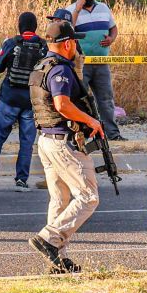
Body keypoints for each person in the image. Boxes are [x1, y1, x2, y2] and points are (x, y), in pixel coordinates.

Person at [28, 19, 106, 272]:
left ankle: (57, 260)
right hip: (63, 142)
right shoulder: (59, 69)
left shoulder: (41, 66)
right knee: (88, 196)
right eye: (74, 42)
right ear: (67, 43)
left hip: (47, 141)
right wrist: (91, 120)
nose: (76, 47)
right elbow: (62, 105)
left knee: (60, 199)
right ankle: (49, 239)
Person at [0, 11, 45, 190]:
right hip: (31, 102)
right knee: (27, 142)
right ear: (35, 26)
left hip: (9, 98)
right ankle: (21, 180)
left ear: (19, 26)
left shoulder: (11, 43)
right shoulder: (43, 46)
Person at [65, 0, 122, 139]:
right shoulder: (70, 10)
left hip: (101, 63)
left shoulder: (103, 8)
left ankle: (112, 134)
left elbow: (114, 27)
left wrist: (111, 38)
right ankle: (80, 134)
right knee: (78, 99)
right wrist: (77, 9)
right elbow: (69, 29)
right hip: (80, 64)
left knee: (106, 99)